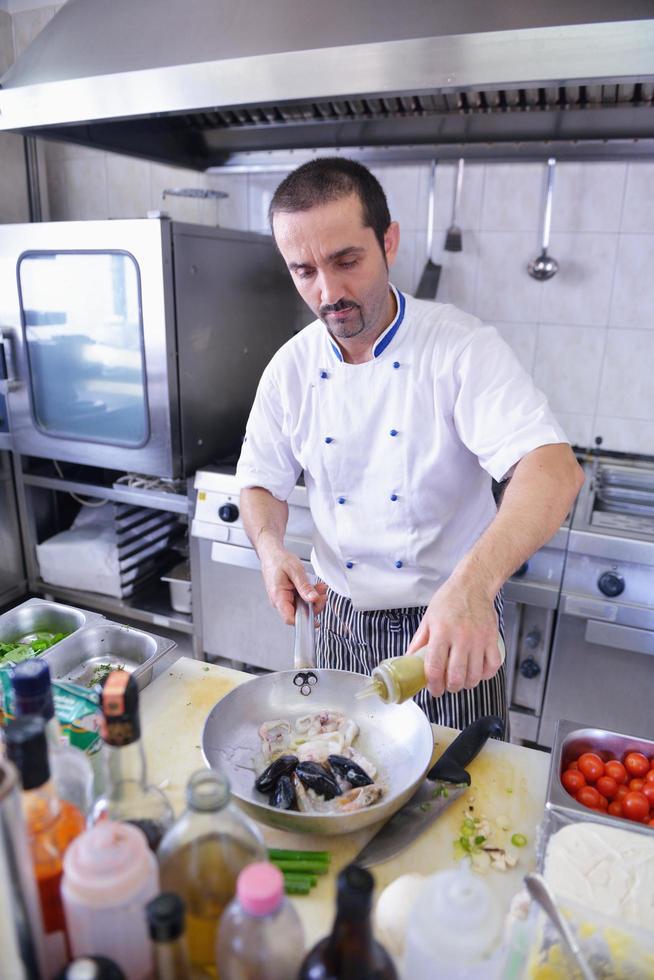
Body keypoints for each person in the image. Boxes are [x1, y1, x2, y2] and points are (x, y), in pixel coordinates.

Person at [236, 157, 584, 729]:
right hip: (338, 620)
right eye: (304, 271)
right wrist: (271, 548)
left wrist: (473, 588)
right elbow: (259, 481)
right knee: (348, 769)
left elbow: (554, 469)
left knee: (458, 789)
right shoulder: (290, 368)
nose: (329, 292)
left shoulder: (461, 348)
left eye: (347, 260)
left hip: (446, 623)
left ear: (389, 241)